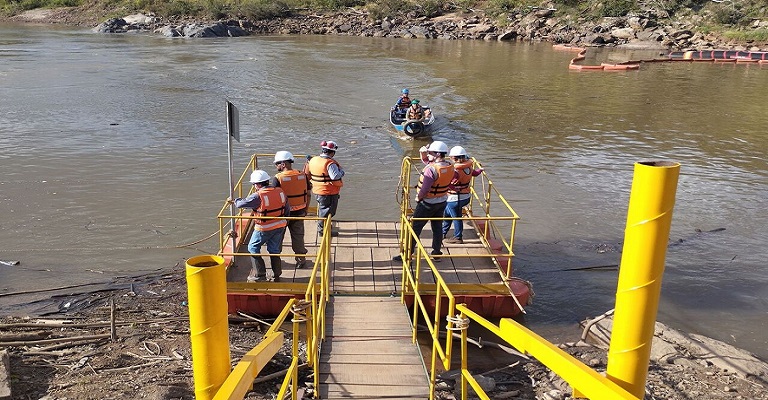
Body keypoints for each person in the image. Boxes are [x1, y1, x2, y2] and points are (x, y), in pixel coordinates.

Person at [393, 141, 454, 262]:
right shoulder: (449, 165)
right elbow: (430, 164)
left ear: (436, 154)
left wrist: (418, 197)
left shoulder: (430, 170)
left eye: (430, 153)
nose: (428, 154)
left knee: (414, 228)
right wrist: (423, 152)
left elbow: (425, 188)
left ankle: (407, 254)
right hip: (442, 202)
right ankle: (436, 252)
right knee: (437, 227)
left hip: (427, 203)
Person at [232, 170, 290, 282]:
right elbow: (287, 209)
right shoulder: (280, 191)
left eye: (254, 184)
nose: (254, 187)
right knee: (274, 250)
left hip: (264, 228)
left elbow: (240, 204)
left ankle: (260, 274)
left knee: (252, 247)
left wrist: (236, 200)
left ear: (258, 184)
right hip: (280, 226)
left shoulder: (258, 196)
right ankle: (276, 274)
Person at [271, 151, 310, 269]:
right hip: (300, 212)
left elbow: (274, 197)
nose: (276, 166)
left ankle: (276, 262)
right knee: (298, 237)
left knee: (277, 238)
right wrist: (306, 209)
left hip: (283, 214)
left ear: (283, 164)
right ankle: (301, 260)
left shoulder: (278, 178)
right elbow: (308, 194)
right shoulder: (302, 175)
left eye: (277, 164)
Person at [442, 146, 483, 244]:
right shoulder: (468, 167)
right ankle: (443, 232)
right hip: (465, 197)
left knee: (456, 217)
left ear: (455, 158)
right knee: (447, 214)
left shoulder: (456, 170)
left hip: (455, 198)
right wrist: (481, 170)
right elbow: (475, 173)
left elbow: (450, 183)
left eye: (451, 157)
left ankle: (458, 237)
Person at [307, 140, 344, 237]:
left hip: (317, 189)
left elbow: (308, 173)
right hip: (328, 191)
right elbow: (335, 176)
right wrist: (342, 172)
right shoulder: (330, 163)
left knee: (322, 209)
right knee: (328, 211)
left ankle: (323, 226)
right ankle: (323, 230)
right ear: (332, 152)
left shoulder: (313, 160)